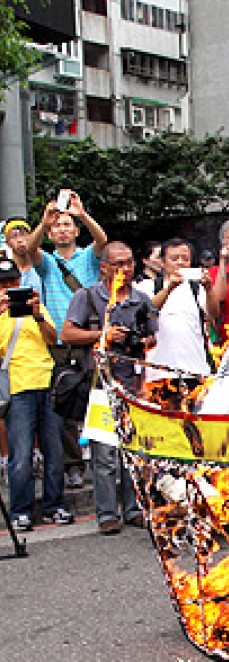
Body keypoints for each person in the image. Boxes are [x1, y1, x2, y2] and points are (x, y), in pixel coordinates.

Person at [62, 242, 158, 535]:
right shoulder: (88, 296)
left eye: (129, 263)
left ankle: (133, 509)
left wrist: (142, 341)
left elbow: (153, 336)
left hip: (133, 384)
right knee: (104, 453)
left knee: (133, 452)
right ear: (103, 267)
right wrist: (103, 335)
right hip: (99, 385)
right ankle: (106, 513)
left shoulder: (141, 299)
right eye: (118, 264)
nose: (125, 269)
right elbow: (67, 333)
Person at [26, 191, 108, 491]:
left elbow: (102, 242)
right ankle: (73, 465)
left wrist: (82, 215)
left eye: (66, 225)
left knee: (96, 401)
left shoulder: (87, 256)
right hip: (59, 341)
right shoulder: (47, 262)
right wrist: (42, 222)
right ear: (50, 232)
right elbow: (29, 252)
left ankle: (103, 461)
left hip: (90, 338)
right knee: (64, 405)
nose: (62, 229)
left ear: (75, 230)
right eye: (56, 226)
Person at [0, 255, 73, 531]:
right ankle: (20, 509)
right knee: (20, 454)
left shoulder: (36, 305)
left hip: (46, 381)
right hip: (17, 387)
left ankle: (54, 505)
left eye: (12, 281)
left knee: (54, 450)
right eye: (3, 283)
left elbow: (53, 338)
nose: (8, 287)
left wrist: (37, 314)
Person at [136, 238, 213, 385]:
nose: (180, 263)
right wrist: (169, 288)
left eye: (185, 259)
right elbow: (146, 313)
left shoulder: (197, 288)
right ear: (163, 263)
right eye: (174, 258)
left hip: (196, 369)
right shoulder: (147, 286)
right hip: (159, 372)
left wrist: (209, 289)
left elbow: (214, 313)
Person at [2, 218, 43, 293]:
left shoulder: (41, 264)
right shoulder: (5, 271)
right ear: (7, 242)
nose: (20, 240)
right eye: (13, 236)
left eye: (23, 234)